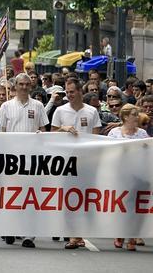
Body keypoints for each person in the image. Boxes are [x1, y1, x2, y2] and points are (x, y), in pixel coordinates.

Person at [0, 73, 49, 248]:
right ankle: (10, 230)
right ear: (15, 86)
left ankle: (29, 235)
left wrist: (40, 137)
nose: (24, 87)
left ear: (31, 86)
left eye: (27, 84)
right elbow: (0, 133)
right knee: (12, 196)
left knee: (31, 197)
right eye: (21, 84)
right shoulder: (5, 106)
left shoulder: (38, 105)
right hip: (11, 159)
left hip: (32, 160)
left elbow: (43, 130)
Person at [51, 78, 101, 250]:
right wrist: (62, 130)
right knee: (69, 198)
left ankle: (78, 234)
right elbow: (51, 137)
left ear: (80, 91)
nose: (69, 95)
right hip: (67, 163)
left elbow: (96, 138)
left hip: (87, 163)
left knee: (85, 199)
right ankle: (73, 234)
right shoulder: (60, 111)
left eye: (72, 91)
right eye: (67, 92)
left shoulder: (92, 111)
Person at [108, 104, 149, 250]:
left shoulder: (143, 134)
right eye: (134, 114)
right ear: (125, 117)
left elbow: (148, 153)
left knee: (136, 207)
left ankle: (132, 236)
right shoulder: (114, 133)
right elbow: (107, 152)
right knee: (122, 205)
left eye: (137, 114)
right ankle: (120, 233)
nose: (137, 117)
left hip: (139, 175)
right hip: (120, 175)